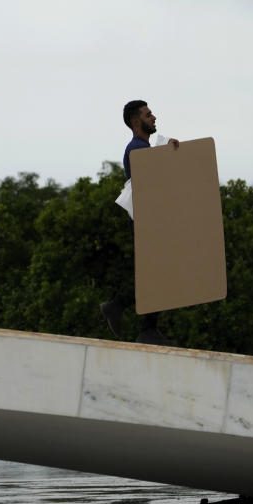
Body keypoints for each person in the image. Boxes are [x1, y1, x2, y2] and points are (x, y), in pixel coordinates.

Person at [99, 100, 179, 345]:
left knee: (157, 275)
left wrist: (169, 148)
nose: (153, 117)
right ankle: (121, 309)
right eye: (148, 114)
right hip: (145, 222)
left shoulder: (142, 148)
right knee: (156, 274)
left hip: (149, 220)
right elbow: (152, 180)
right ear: (136, 121)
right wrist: (168, 152)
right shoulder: (136, 149)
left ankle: (147, 328)